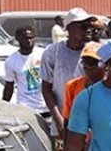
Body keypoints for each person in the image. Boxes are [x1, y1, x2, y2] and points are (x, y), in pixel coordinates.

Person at [41, 8, 98, 139]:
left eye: (90, 26)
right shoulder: (52, 53)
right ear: (70, 28)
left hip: (93, 126)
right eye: (83, 26)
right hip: (63, 125)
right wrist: (58, 120)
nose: (88, 29)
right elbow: (46, 88)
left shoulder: (96, 51)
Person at [2, 26, 47, 114]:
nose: (29, 41)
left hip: (45, 106)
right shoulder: (11, 61)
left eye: (31, 38)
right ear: (18, 39)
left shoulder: (43, 55)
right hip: (25, 108)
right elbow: (9, 86)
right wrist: (3, 107)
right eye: (26, 38)